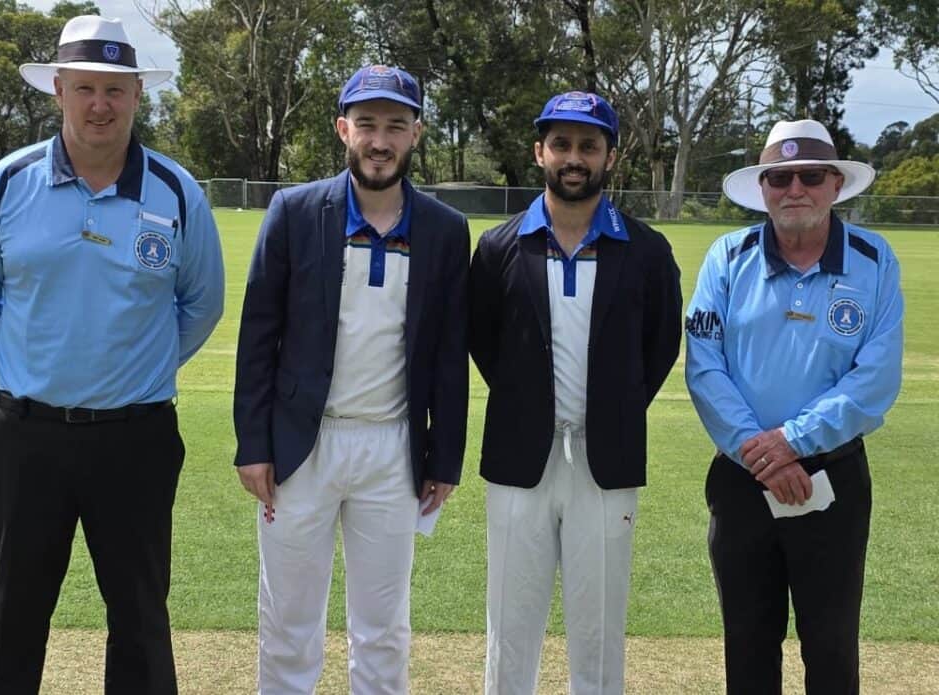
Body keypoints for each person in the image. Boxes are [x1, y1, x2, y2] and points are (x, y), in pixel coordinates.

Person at [0, 15, 225, 694]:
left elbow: (201, 306)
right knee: (13, 614)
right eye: (86, 88)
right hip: (25, 436)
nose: (100, 105)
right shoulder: (6, 184)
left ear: (137, 95)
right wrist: (33, 367)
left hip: (137, 438)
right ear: (60, 91)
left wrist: (135, 368)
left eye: (115, 89)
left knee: (139, 618)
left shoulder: (177, 192)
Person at [232, 64, 469, 693]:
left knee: (384, 626)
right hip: (299, 447)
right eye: (367, 124)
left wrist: (444, 455)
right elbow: (258, 335)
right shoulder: (295, 210)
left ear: (416, 133)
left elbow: (450, 352)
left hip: (391, 448)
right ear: (344, 129)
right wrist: (252, 444)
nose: (380, 140)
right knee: (288, 619)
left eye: (396, 125)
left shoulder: (445, 230)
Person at [469, 91, 682, 694]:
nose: (574, 157)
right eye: (561, 144)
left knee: (600, 626)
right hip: (518, 458)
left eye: (589, 146)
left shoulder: (644, 251)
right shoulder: (499, 248)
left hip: (605, 461)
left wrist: (611, 410)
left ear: (610, 156)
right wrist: (530, 406)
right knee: (510, 624)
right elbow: (485, 343)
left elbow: (659, 346)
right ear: (540, 151)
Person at [685, 119, 903, 694]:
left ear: (835, 184)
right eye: (779, 178)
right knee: (748, 644)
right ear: (764, 188)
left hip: (833, 478)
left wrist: (793, 442)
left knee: (831, 646)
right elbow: (705, 368)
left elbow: (875, 381)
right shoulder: (727, 258)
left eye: (809, 175)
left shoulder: (873, 260)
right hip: (739, 477)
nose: (794, 189)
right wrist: (764, 454)